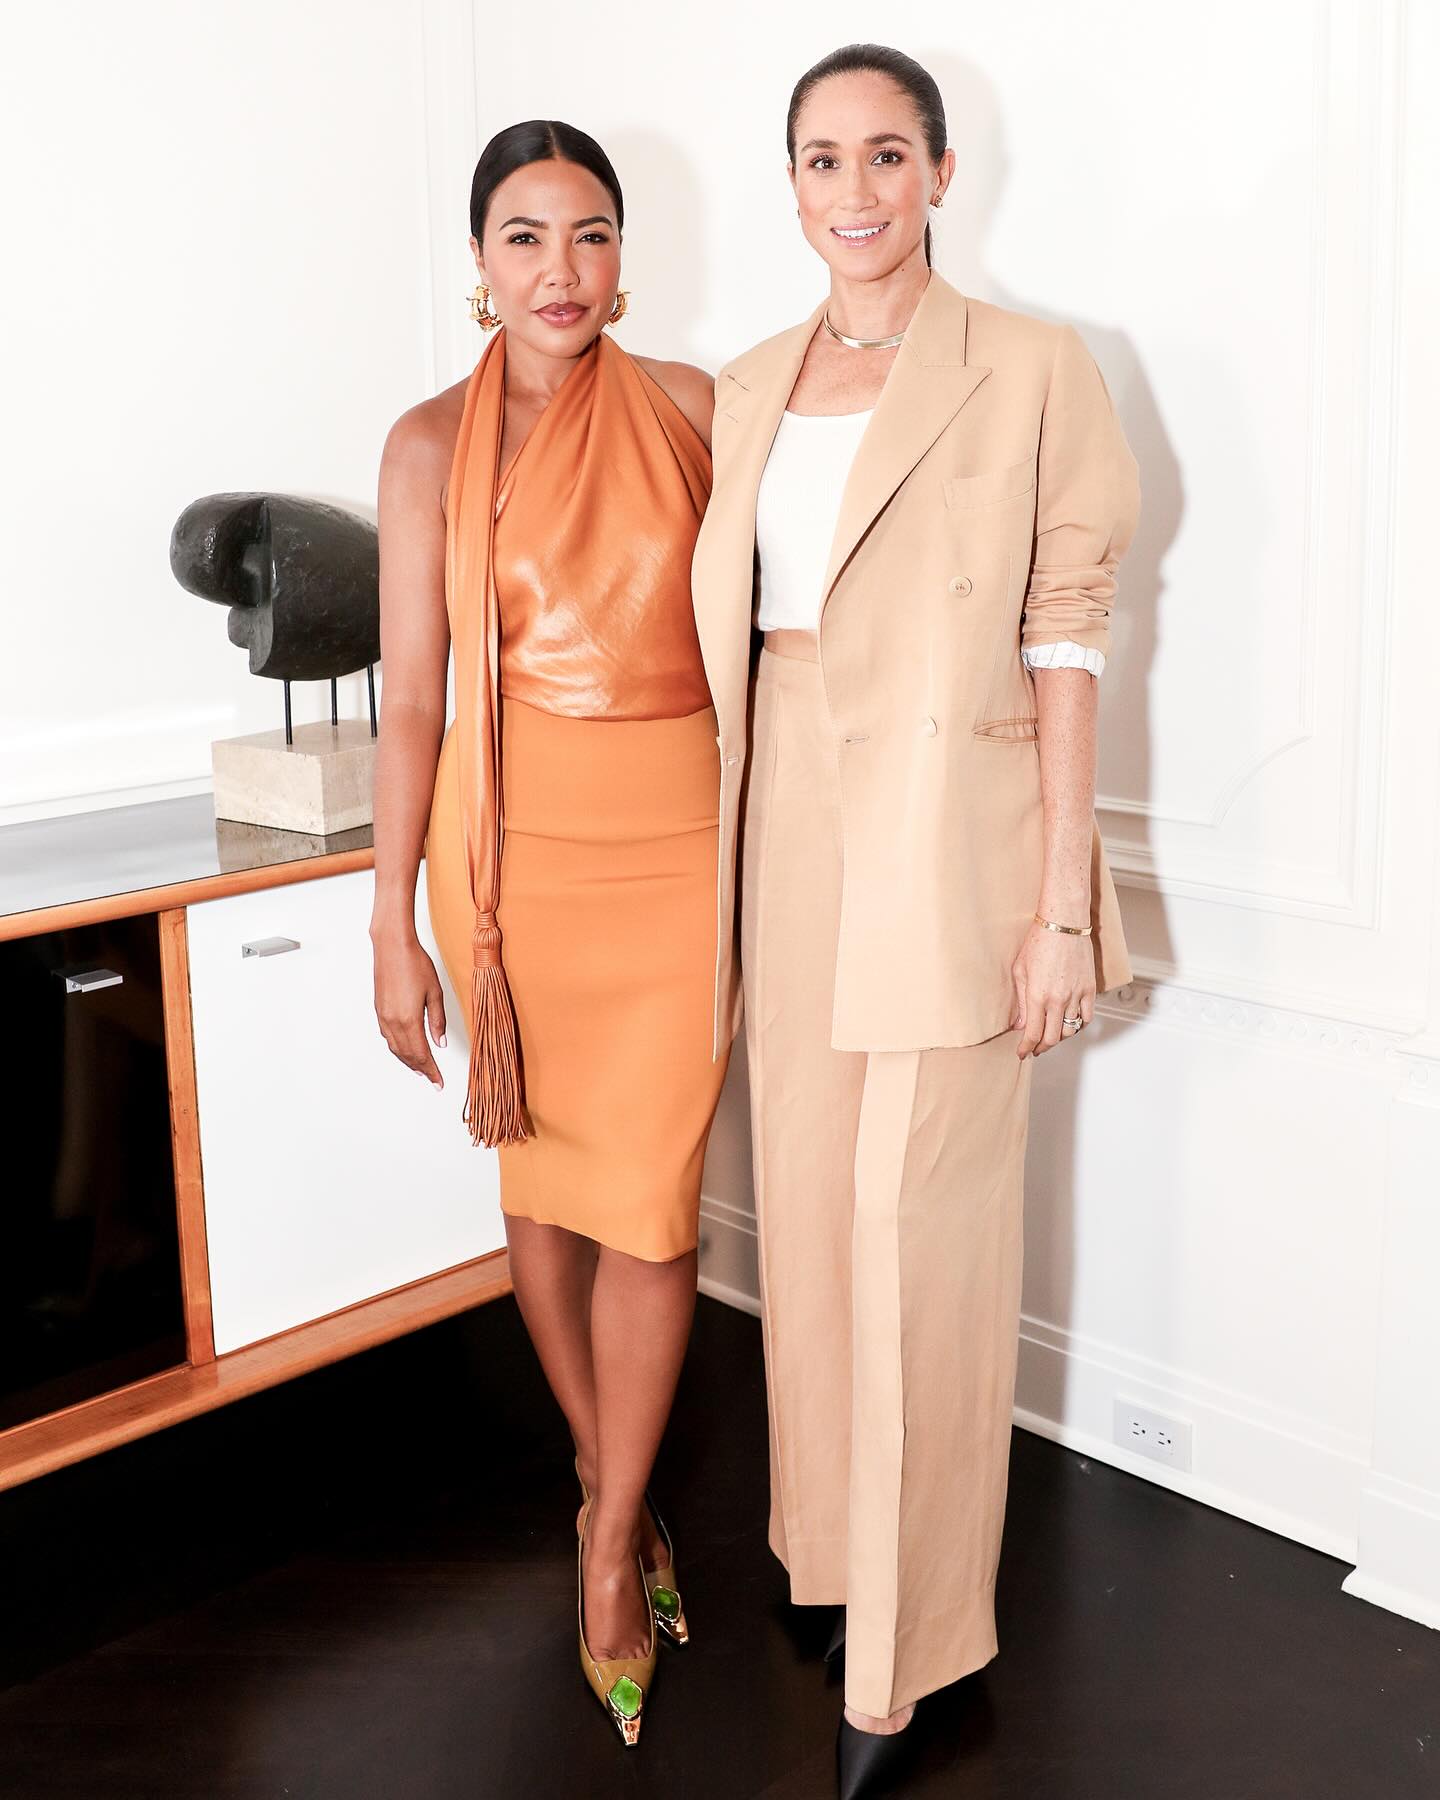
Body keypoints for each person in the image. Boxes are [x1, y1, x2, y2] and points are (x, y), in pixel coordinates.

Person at [690, 43, 1141, 1798]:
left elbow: (1069, 636)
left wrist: (1055, 911)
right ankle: (831, 1556)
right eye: (821, 159)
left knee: (923, 1234)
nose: (855, 191)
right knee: (804, 1219)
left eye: (888, 155)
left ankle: (916, 1648)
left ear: (945, 175)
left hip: (957, 832)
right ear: (790, 186)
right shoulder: (738, 388)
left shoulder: (1030, 370)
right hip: (785, 824)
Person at [369, 118, 726, 1748]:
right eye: (524, 237)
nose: (558, 271)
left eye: (587, 236)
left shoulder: (701, 410)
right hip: (507, 858)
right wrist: (395, 919)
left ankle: (604, 1532)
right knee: (546, 1185)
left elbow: (766, 638)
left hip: (674, 844)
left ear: (621, 255)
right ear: (478, 264)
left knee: (652, 1209)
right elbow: (416, 706)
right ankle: (611, 1480)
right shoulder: (428, 445)